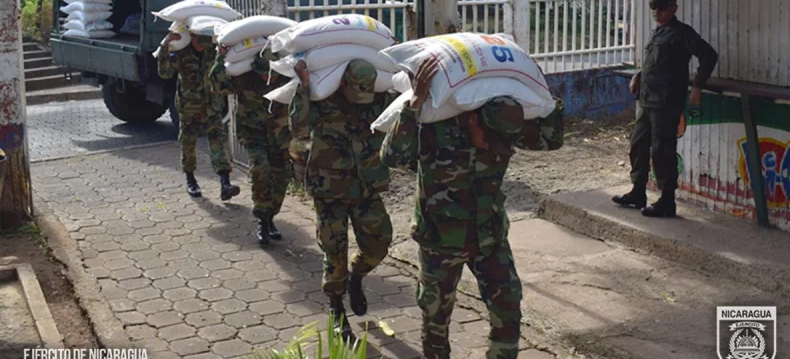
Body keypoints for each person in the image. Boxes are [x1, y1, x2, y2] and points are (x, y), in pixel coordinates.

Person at [380, 58, 564, 359]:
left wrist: (543, 93)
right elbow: (391, 155)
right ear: (474, 119)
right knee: (436, 318)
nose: (494, 148)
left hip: (489, 235)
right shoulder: (434, 126)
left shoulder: (503, 124)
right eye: (490, 141)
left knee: (508, 308)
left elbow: (550, 140)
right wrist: (414, 104)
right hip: (441, 240)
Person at [290, 59, 394, 340]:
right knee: (334, 251)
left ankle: (357, 275)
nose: (361, 98)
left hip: (366, 185)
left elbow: (401, 114)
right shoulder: (322, 98)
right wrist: (304, 86)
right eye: (356, 90)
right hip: (330, 187)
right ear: (344, 83)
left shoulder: (377, 99)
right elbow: (297, 124)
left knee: (379, 241)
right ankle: (336, 308)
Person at [613, 0, 718, 218]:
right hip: (648, 99)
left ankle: (666, 200)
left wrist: (697, 86)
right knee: (638, 145)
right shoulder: (659, 31)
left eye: (661, 10)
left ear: (673, 8)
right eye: (654, 10)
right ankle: (638, 191)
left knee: (663, 150)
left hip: (667, 101)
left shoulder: (682, 32)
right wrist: (639, 75)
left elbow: (709, 55)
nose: (656, 14)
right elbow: (656, 61)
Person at [208, 49, 292, 245]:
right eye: (261, 73)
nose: (265, 78)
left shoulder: (287, 79)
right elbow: (218, 86)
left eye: (268, 74)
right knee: (260, 170)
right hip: (253, 134)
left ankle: (271, 217)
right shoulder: (245, 79)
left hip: (280, 136)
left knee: (282, 178)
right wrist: (220, 57)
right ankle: (262, 221)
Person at [157, 33, 241, 201]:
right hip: (190, 107)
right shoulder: (181, 52)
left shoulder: (213, 51)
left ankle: (225, 183)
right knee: (188, 143)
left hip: (211, 106)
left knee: (218, 141)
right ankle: (191, 180)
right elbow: (165, 73)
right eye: (199, 41)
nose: (202, 46)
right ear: (193, 37)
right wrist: (165, 47)